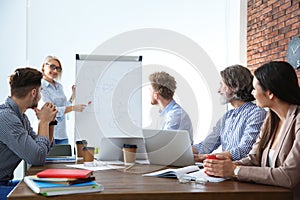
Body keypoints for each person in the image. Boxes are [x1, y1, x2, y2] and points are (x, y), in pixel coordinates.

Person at [204, 61, 300, 199]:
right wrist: (226, 166)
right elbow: (254, 158)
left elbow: (288, 176)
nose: (252, 94)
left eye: (255, 89)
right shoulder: (271, 119)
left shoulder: (297, 121)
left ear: (270, 93)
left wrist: (235, 170)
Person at [0, 67, 58, 200]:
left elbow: (42, 150)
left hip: (4, 183)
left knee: (48, 188)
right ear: (33, 92)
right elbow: (37, 157)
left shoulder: (21, 117)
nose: (40, 96)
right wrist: (43, 122)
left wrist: (50, 123)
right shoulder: (6, 118)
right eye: (40, 91)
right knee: (42, 196)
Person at [193, 65, 266, 161]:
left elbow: (245, 150)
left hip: (239, 171)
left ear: (234, 86)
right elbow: (206, 146)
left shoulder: (257, 114)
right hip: (222, 171)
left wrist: (205, 157)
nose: (218, 90)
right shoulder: (227, 117)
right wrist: (180, 153)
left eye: (221, 85)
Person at [41, 56, 86, 144]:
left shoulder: (59, 86)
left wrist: (73, 95)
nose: (55, 71)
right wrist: (73, 108)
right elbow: (50, 111)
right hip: (49, 134)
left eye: (58, 69)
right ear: (43, 66)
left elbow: (64, 106)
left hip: (62, 134)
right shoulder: (40, 86)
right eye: (52, 67)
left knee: (65, 156)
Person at [148, 71, 193, 143]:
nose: (149, 94)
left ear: (156, 95)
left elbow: (163, 143)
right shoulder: (167, 113)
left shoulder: (175, 115)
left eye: (150, 90)